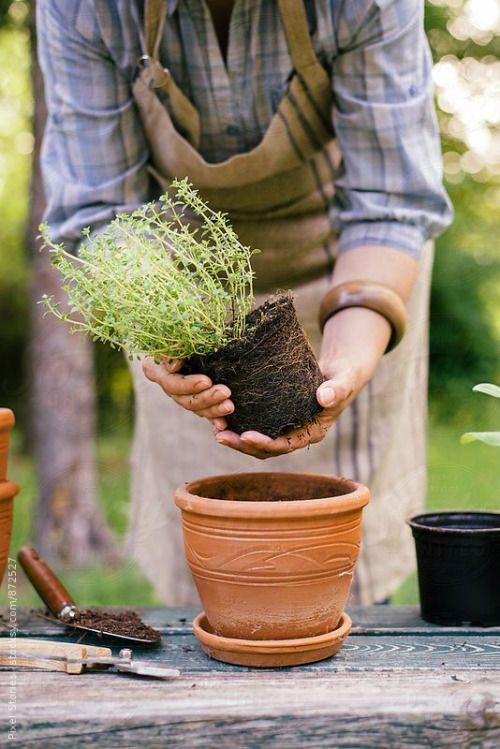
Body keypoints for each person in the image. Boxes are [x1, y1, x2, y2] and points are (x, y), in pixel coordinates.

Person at [38, 0, 452, 606]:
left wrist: (352, 347)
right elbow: (103, 217)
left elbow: (389, 202)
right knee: (210, 565)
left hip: (348, 275)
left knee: (344, 570)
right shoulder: (85, 9)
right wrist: (165, 341)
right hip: (176, 289)